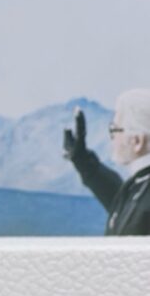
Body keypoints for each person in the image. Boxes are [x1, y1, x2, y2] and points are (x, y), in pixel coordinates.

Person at [64, 89, 150, 235]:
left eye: (114, 129)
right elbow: (129, 206)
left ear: (137, 141)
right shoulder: (141, 183)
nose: (112, 137)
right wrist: (84, 162)